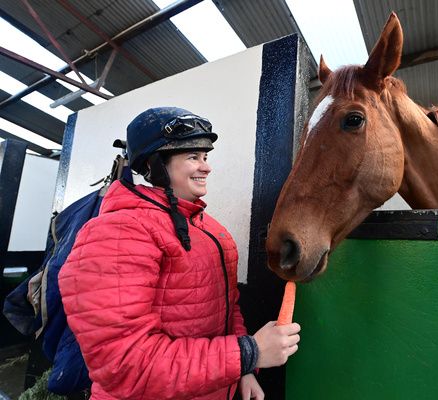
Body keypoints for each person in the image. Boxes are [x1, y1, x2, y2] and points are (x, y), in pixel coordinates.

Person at [58, 107, 301, 400]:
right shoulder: (118, 231)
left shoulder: (212, 229)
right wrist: (249, 353)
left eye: (206, 157)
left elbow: (228, 307)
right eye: (192, 157)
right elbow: (123, 365)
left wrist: (244, 369)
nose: (206, 167)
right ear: (156, 164)